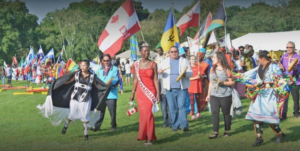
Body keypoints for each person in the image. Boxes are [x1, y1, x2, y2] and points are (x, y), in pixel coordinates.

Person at [37, 60, 110, 141]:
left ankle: (86, 134)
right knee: (72, 114)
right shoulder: (77, 73)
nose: (82, 67)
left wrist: (105, 87)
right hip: (75, 97)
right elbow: (68, 81)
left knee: (85, 115)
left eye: (84, 65)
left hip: (86, 98)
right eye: (81, 65)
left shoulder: (93, 75)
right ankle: (65, 126)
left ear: (88, 66)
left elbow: (97, 85)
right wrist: (58, 83)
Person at [242, 50, 286, 146]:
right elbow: (247, 75)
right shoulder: (259, 67)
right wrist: (237, 77)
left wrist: (280, 91)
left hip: (270, 94)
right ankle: (259, 138)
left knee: (269, 117)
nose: (258, 60)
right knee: (257, 117)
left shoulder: (274, 66)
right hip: (260, 94)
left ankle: (280, 135)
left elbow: (280, 79)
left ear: (262, 58)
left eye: (258, 58)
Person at [130, 42, 159, 146]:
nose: (147, 53)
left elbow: (156, 79)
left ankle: (150, 139)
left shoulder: (153, 64)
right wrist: (132, 92)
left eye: (148, 51)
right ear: (140, 52)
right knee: (143, 115)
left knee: (149, 115)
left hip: (150, 92)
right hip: (140, 93)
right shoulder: (136, 64)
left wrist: (158, 94)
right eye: (145, 51)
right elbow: (135, 80)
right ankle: (147, 136)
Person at [158, 46, 193, 132]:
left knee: (182, 106)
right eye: (172, 52)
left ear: (178, 52)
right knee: (172, 108)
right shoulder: (164, 62)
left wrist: (185, 74)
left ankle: (184, 125)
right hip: (169, 89)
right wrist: (160, 71)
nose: (174, 53)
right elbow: (158, 71)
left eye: (175, 51)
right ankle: (175, 126)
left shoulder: (184, 60)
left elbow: (190, 72)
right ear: (169, 53)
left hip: (181, 88)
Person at [206, 51, 235, 139]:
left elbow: (232, 82)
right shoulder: (212, 69)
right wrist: (208, 94)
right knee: (214, 113)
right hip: (214, 95)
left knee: (226, 113)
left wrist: (223, 83)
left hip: (225, 95)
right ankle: (215, 132)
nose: (213, 59)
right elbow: (211, 82)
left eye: (214, 57)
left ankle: (226, 131)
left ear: (219, 59)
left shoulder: (226, 69)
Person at [91, 54, 120, 131]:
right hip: (101, 94)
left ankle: (113, 126)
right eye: (104, 60)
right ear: (102, 61)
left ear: (110, 60)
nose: (106, 62)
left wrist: (110, 84)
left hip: (111, 94)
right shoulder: (99, 70)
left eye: (108, 60)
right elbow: (96, 80)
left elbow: (116, 80)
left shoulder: (115, 69)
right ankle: (97, 127)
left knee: (112, 112)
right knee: (100, 111)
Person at [279, 41, 300, 119]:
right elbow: (279, 63)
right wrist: (280, 65)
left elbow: (299, 70)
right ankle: (283, 115)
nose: (288, 49)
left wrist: (295, 68)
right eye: (287, 47)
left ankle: (296, 112)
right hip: (285, 80)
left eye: (290, 47)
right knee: (284, 98)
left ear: (294, 48)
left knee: (296, 98)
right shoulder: (283, 56)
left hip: (295, 79)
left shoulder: (298, 57)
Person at [188, 56, 202, 120]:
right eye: (192, 59)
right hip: (191, 86)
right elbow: (187, 78)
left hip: (197, 86)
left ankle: (198, 112)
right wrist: (195, 78)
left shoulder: (199, 67)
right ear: (190, 60)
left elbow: (202, 76)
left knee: (198, 100)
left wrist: (200, 75)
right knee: (192, 101)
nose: (193, 60)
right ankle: (193, 114)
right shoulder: (188, 68)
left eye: (194, 59)